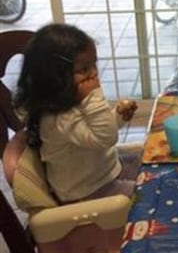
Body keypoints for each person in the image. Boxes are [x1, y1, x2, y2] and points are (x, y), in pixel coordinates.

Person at [14, 23, 140, 204]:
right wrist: (94, 97)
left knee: (150, 164)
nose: (94, 74)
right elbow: (105, 138)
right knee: (150, 193)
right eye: (84, 69)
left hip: (104, 172)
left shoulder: (68, 103)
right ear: (54, 78)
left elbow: (92, 134)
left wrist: (117, 117)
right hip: (87, 193)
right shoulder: (58, 119)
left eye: (93, 65)